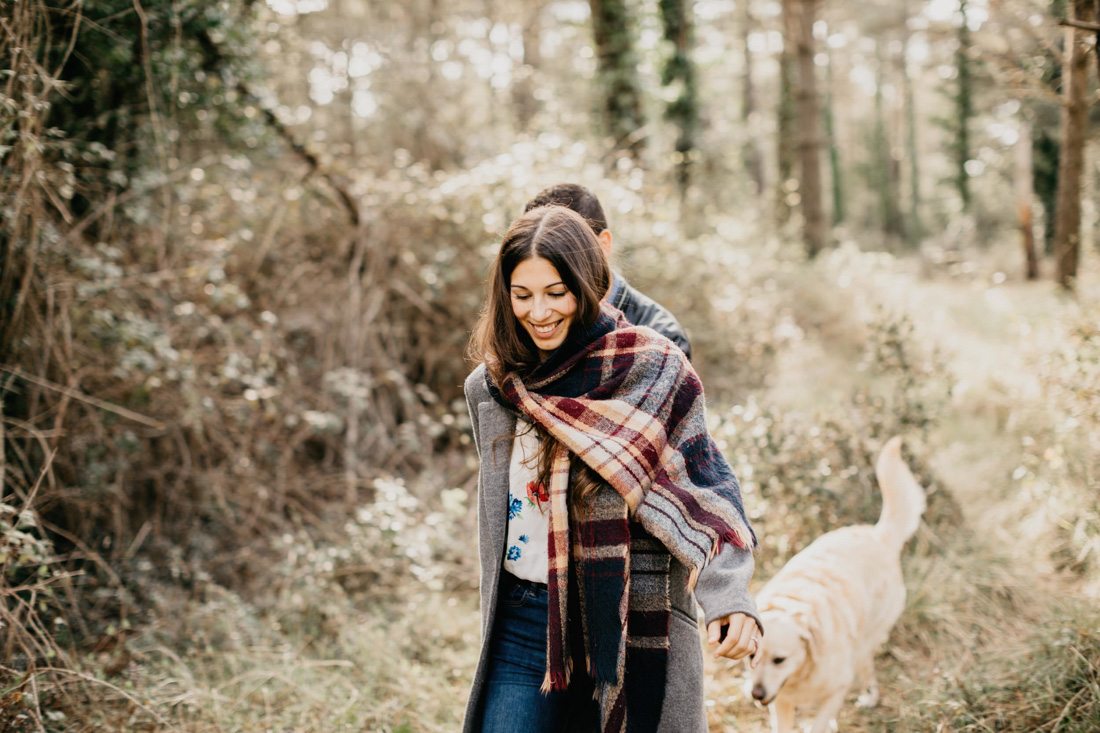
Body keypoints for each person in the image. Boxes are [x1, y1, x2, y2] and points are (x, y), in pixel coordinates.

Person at [462, 205, 761, 733]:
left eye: (556, 292)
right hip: (525, 620)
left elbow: (707, 492)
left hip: (623, 621)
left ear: (588, 284)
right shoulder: (494, 387)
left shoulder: (653, 367)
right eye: (522, 294)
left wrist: (728, 598)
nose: (538, 311)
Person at [523, 183, 693, 361]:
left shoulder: (662, 335)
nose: (539, 313)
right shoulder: (523, 321)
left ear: (603, 244)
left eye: (568, 252)